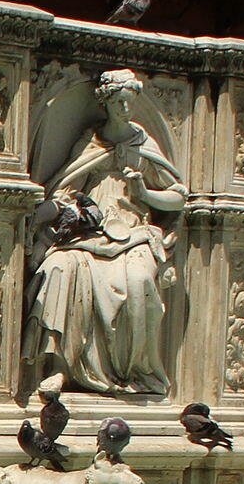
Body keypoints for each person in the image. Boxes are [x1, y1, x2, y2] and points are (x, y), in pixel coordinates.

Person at [29, 68, 183, 394]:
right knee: (59, 267)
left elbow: (177, 197)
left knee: (139, 279)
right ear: (106, 104)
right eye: (118, 103)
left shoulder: (144, 144)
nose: (125, 109)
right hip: (90, 229)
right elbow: (67, 189)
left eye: (129, 103)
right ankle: (60, 367)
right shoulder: (91, 142)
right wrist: (45, 215)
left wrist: (144, 194)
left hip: (135, 231)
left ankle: (134, 371)